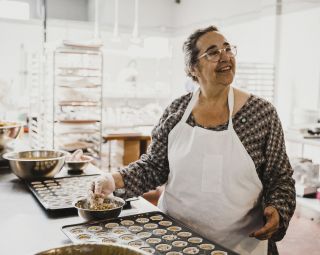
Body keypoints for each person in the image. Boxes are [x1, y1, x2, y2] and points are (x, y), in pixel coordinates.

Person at [90, 26, 296, 255]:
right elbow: (154, 167)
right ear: (193, 68)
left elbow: (280, 177)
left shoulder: (261, 114)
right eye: (213, 52)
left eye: (228, 48)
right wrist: (113, 180)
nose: (225, 56)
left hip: (239, 245)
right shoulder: (176, 112)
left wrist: (278, 208)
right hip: (174, 239)